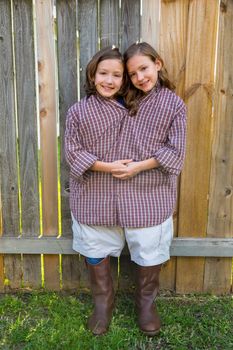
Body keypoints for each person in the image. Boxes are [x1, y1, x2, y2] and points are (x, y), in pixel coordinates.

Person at [65, 43, 186, 337]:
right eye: (103, 73)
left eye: (120, 74)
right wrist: (108, 167)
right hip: (96, 195)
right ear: (92, 75)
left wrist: (137, 167)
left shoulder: (169, 105)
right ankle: (102, 303)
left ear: (157, 64)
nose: (111, 80)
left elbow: (176, 153)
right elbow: (72, 152)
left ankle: (146, 304)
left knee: (148, 249)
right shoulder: (80, 111)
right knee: (95, 247)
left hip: (148, 194)